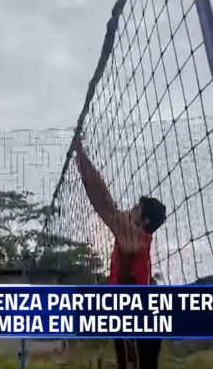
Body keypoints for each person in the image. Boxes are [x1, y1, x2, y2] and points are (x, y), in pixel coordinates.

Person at [71, 134, 167, 369]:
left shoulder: (134, 237)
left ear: (143, 220)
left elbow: (103, 202)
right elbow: (106, 205)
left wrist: (82, 157)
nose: (130, 209)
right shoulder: (135, 237)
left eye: (136, 209)